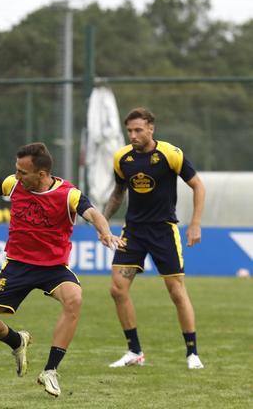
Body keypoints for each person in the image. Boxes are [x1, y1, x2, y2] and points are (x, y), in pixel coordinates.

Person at [0, 142, 123, 397]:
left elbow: (93, 214)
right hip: (17, 267)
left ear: (41, 175)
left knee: (74, 298)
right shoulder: (14, 184)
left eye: (22, 172)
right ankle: (17, 341)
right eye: (16, 170)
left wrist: (105, 231)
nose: (16, 176)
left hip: (53, 268)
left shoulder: (68, 194)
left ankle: (50, 370)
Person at [104, 107, 206, 370]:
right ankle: (134, 351)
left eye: (138, 130)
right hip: (133, 232)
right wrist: (103, 223)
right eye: (129, 131)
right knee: (117, 289)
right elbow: (118, 193)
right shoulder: (122, 159)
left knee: (176, 292)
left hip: (163, 231)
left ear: (151, 128)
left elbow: (198, 186)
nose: (133, 135)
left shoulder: (170, 154)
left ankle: (192, 353)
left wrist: (195, 223)